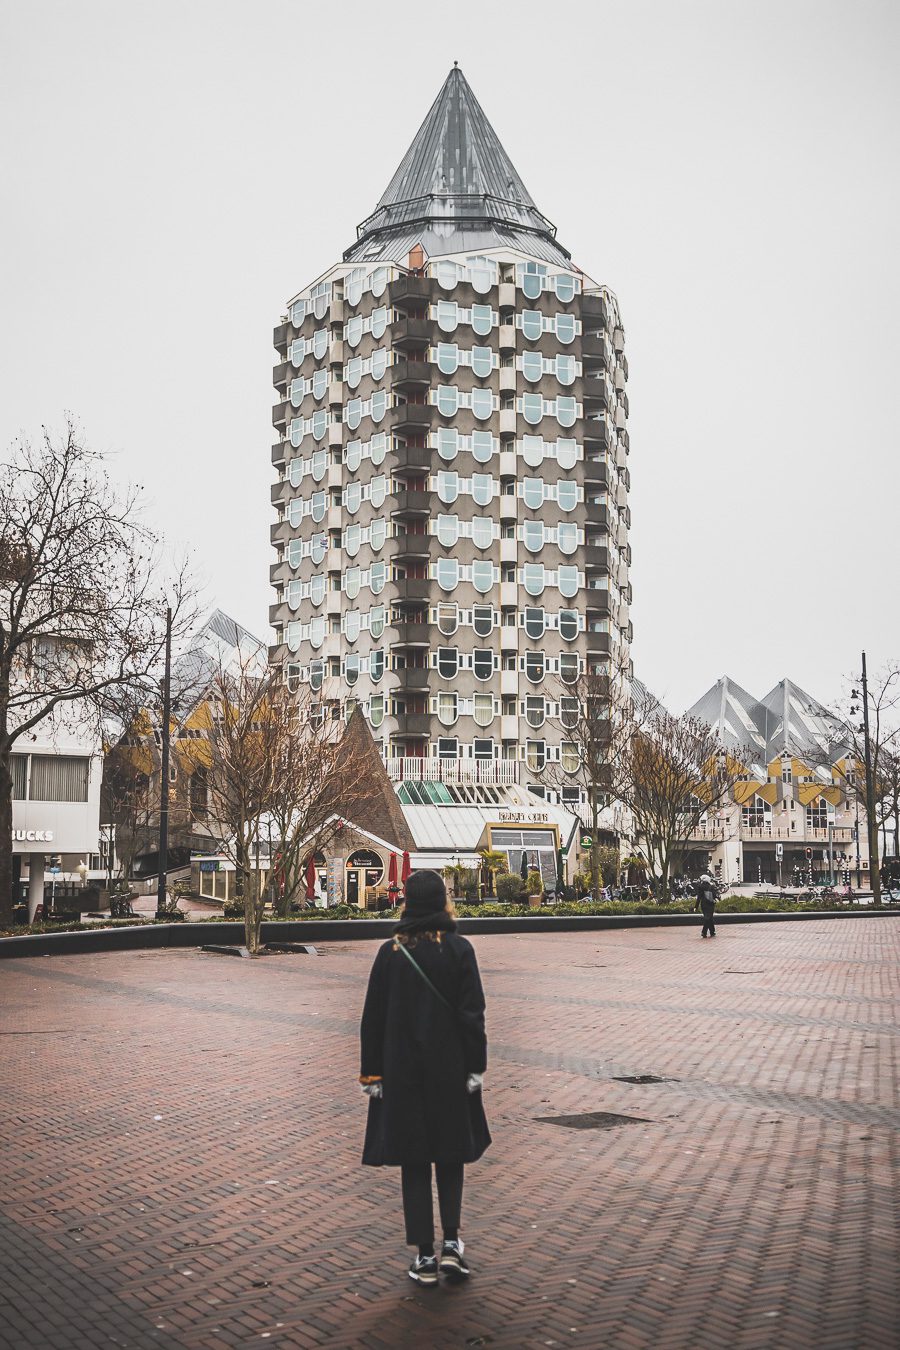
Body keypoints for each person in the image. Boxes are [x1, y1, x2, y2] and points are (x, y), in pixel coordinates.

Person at [359, 869, 490, 1286]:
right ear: (443, 902)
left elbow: (372, 1020)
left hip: (402, 1077)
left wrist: (372, 1073)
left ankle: (425, 1255)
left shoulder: (390, 953)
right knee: (451, 1158)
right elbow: (473, 1017)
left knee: (414, 1163)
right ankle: (452, 1243)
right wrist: (476, 1067)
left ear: (408, 903)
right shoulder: (459, 950)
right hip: (450, 1072)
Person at [694, 873, 718, 938]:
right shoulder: (712, 886)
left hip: (704, 905)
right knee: (709, 918)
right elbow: (715, 895)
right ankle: (704, 932)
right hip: (711, 904)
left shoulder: (700, 887)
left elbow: (699, 897)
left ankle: (712, 932)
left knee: (708, 918)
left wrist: (696, 906)